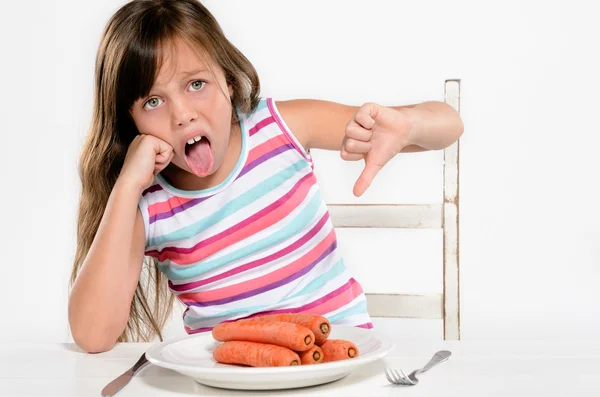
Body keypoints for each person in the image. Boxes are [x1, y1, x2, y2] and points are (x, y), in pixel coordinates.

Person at [68, 0, 464, 353]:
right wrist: (126, 187)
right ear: (130, 121)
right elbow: (92, 335)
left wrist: (407, 126)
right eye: (153, 101)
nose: (182, 114)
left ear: (227, 78)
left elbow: (449, 124)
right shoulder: (148, 205)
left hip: (338, 358)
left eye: (196, 84)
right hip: (231, 376)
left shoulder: (280, 127)